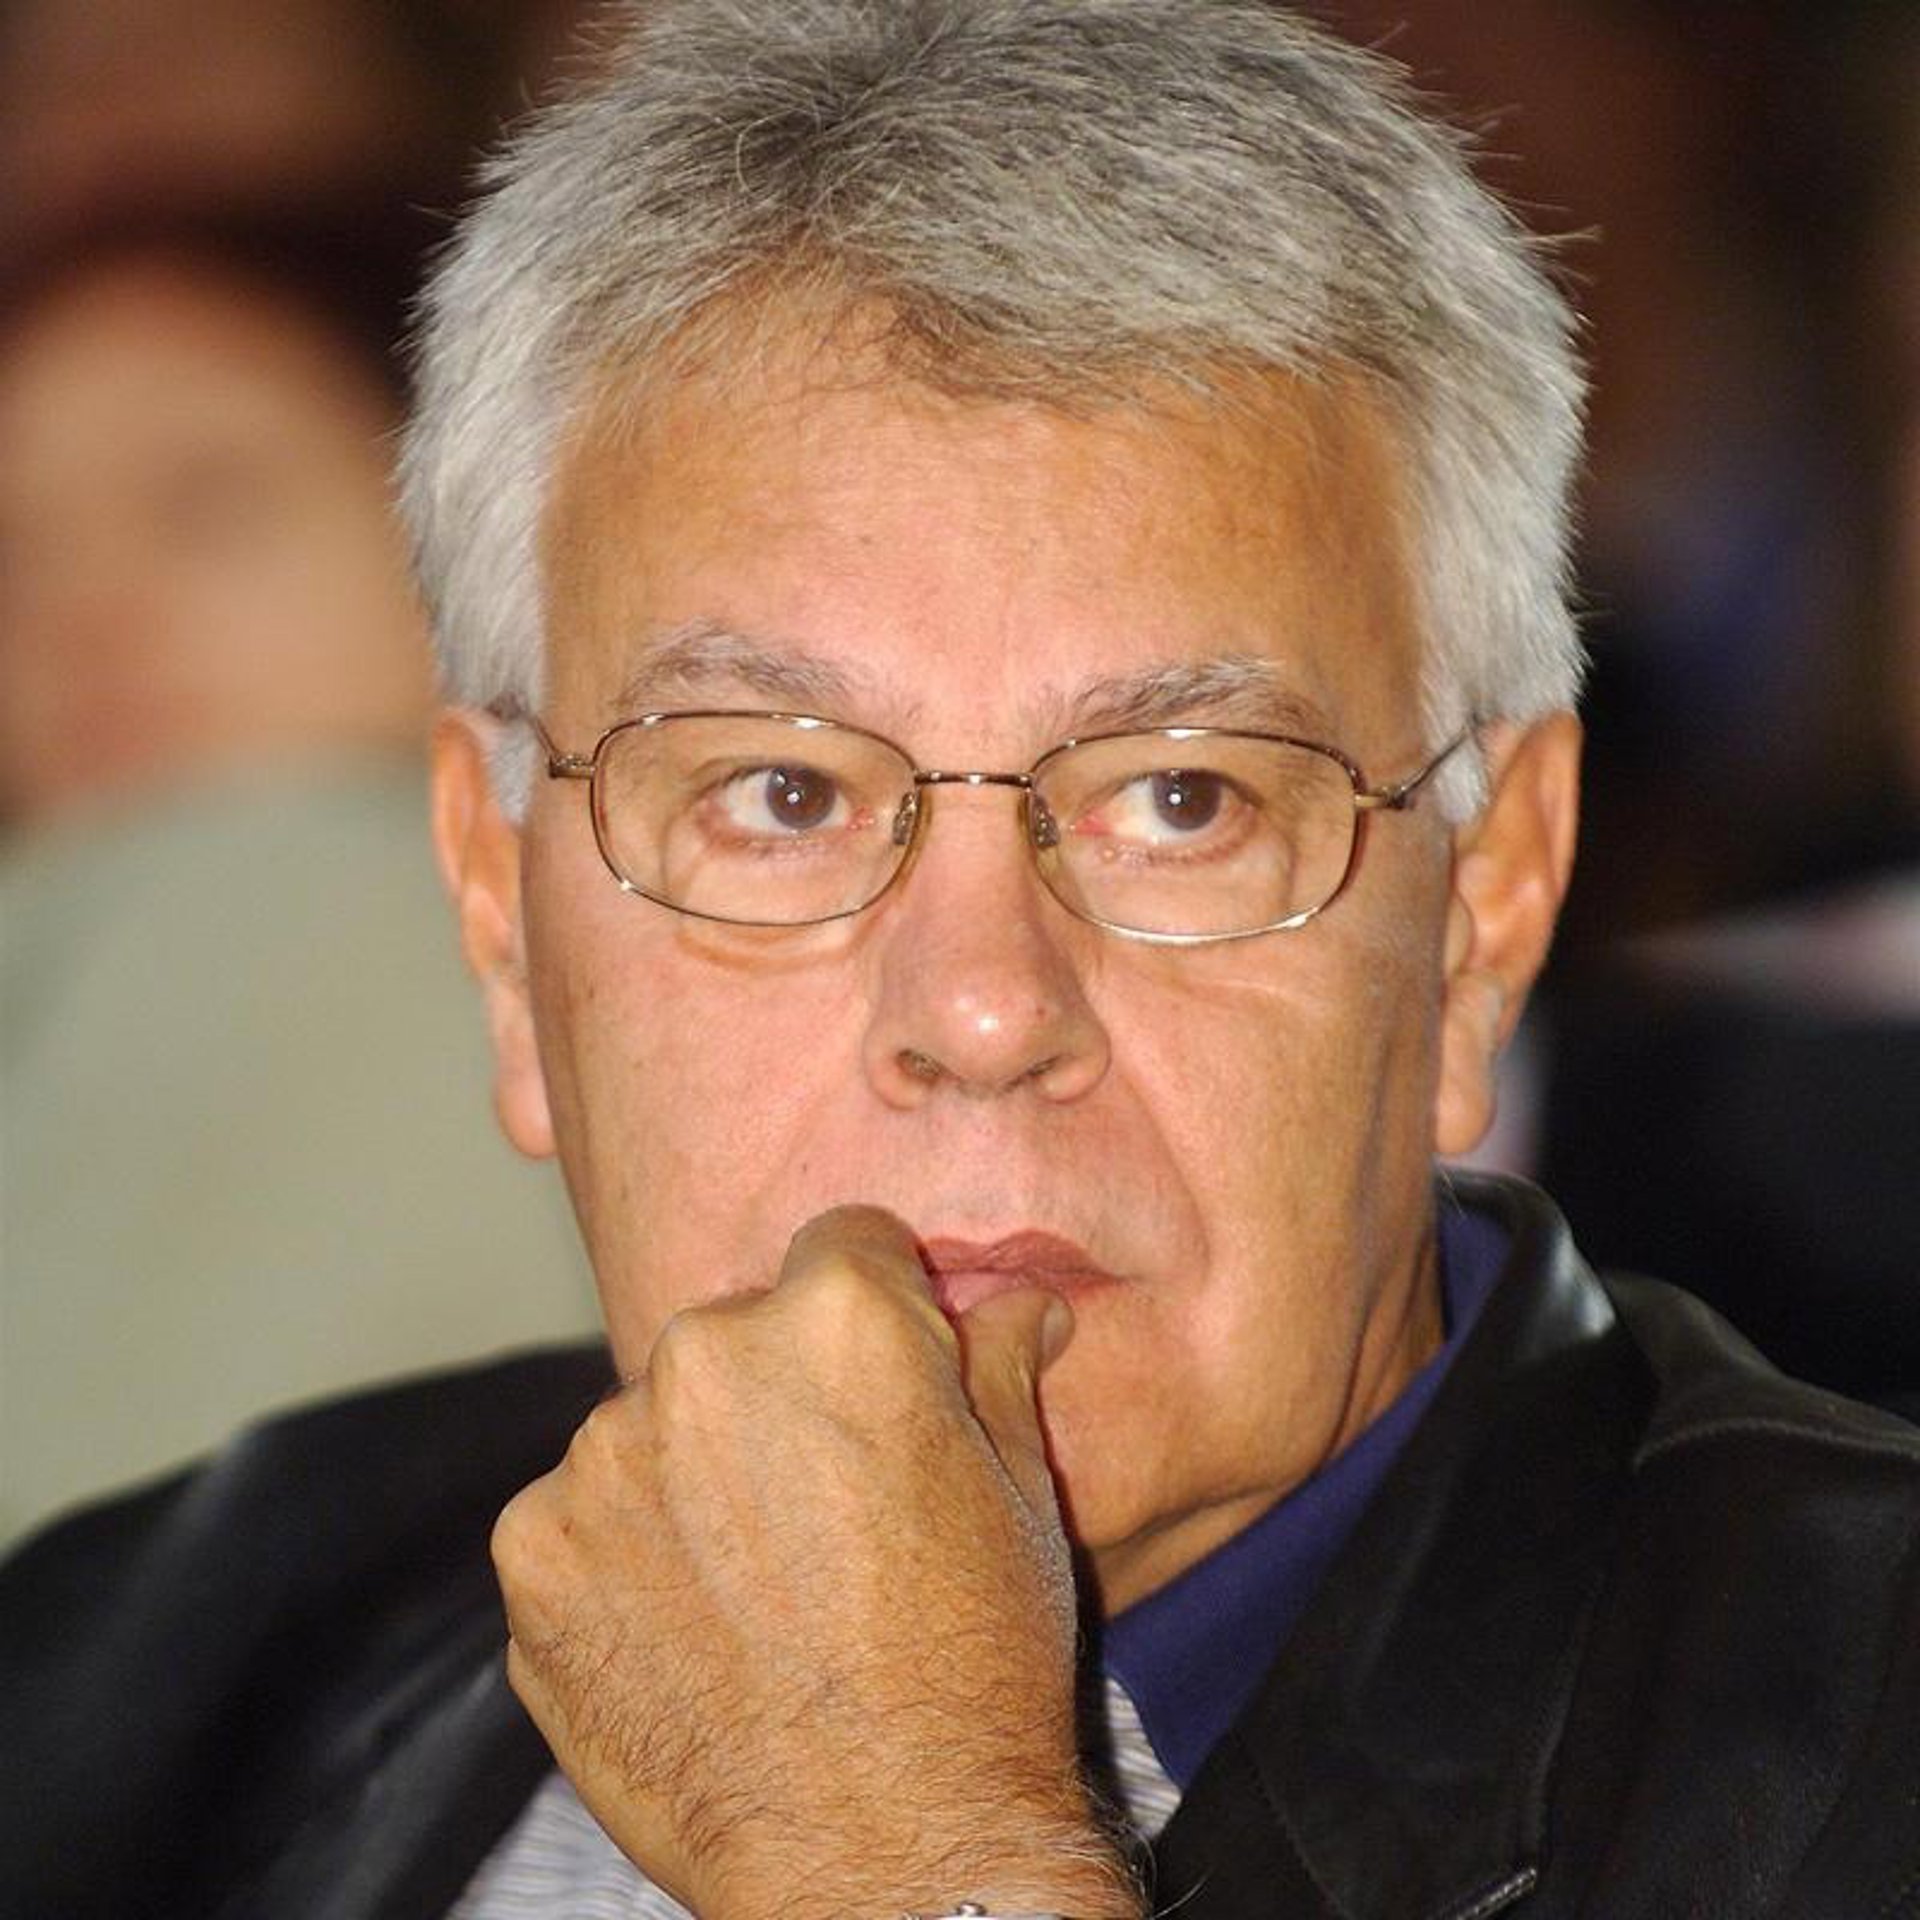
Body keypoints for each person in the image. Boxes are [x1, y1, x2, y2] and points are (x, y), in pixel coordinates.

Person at [3, 5, 1917, 1917]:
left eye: (1180, 798)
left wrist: (904, 1852)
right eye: (779, 795)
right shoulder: (120, 1684)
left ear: (1486, 902)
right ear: (502, 920)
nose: (986, 1011)